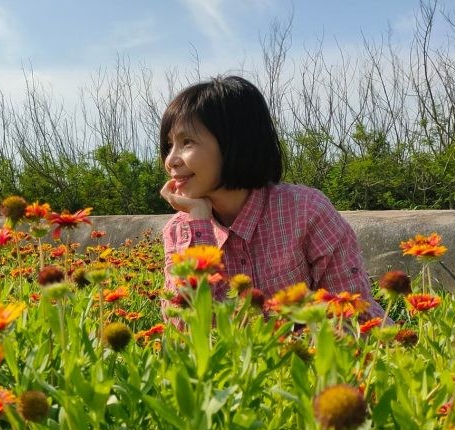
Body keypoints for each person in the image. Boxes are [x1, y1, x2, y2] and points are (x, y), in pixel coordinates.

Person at [159, 75, 382, 317]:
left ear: (234, 143)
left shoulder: (306, 211)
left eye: (187, 142)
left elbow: (352, 314)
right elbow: (185, 328)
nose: (171, 160)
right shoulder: (180, 229)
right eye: (169, 145)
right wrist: (199, 224)